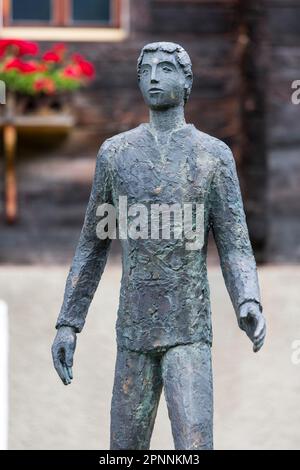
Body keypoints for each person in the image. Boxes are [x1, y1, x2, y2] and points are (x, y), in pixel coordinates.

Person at [52, 42, 266, 450]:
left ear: (187, 81)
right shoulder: (116, 154)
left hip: (188, 329)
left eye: (166, 68)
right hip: (134, 332)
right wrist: (68, 323)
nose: (153, 76)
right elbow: (92, 246)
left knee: (194, 448)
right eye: (145, 69)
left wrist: (248, 301)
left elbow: (235, 242)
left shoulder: (212, 156)